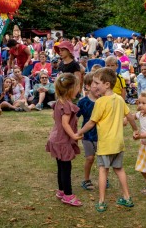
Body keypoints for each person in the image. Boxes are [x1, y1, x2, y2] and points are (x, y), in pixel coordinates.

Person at [76, 67, 138, 212]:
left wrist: (79, 132)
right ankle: (127, 197)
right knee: (119, 169)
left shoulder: (101, 102)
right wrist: (136, 130)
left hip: (105, 144)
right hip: (118, 143)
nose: (95, 85)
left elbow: (91, 122)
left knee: (103, 170)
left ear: (107, 84)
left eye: (97, 82)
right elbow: (129, 117)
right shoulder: (119, 99)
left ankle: (102, 201)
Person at [46, 73, 83, 207]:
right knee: (66, 168)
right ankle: (68, 195)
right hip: (63, 141)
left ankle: (61, 191)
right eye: (78, 87)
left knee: (61, 167)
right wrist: (73, 135)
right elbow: (65, 123)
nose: (79, 89)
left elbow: (54, 117)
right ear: (70, 89)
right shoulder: (67, 105)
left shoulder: (58, 102)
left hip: (55, 138)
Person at [76, 72, 99, 190]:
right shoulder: (83, 102)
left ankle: (103, 177)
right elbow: (75, 117)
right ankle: (86, 179)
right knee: (90, 158)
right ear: (88, 86)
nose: (97, 86)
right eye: (95, 83)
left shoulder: (103, 100)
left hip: (102, 135)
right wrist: (74, 132)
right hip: (88, 135)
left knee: (103, 159)